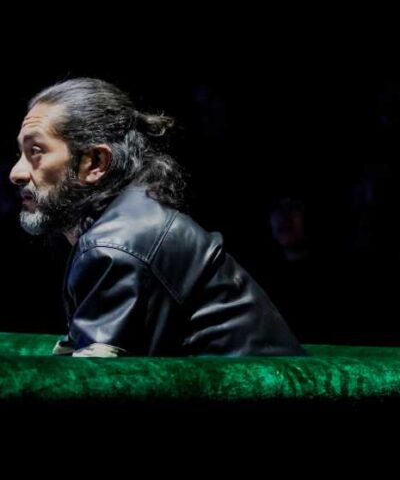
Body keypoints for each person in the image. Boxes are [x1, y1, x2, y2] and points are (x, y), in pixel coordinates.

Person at [9, 78, 304, 357]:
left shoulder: (114, 245)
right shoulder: (126, 221)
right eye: (20, 153)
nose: (16, 173)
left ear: (95, 162)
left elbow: (95, 382)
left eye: (36, 151)